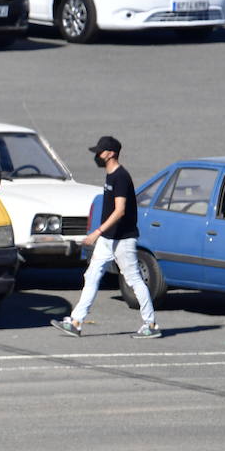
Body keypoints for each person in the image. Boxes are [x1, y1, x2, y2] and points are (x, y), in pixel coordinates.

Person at [52, 135, 162, 339]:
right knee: (91, 275)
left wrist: (96, 232)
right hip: (108, 239)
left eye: (100, 152)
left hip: (122, 239)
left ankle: (151, 324)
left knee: (134, 280)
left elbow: (120, 211)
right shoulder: (110, 175)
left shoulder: (120, 177)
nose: (97, 155)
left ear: (110, 153)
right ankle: (76, 321)